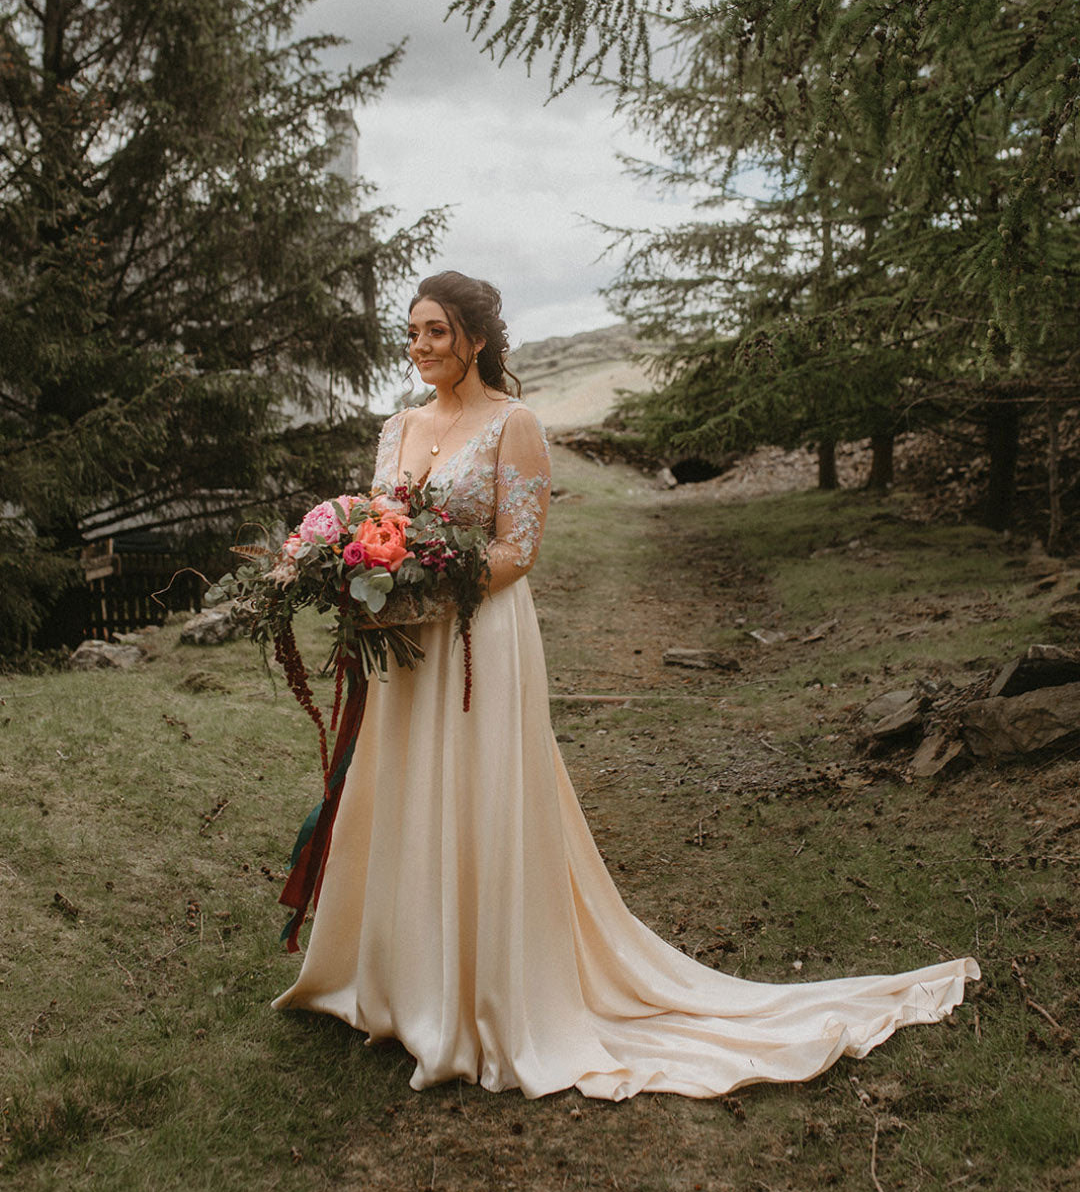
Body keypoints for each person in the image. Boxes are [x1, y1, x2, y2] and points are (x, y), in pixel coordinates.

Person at [273, 270, 978, 1099]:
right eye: (414, 331)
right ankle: (402, 983)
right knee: (407, 793)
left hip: (480, 640)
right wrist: (362, 575)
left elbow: (517, 549)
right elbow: (381, 525)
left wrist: (426, 593)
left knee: (481, 796)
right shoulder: (396, 426)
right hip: (407, 653)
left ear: (475, 339)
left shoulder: (515, 424)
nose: (421, 346)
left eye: (437, 332)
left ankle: (483, 995)